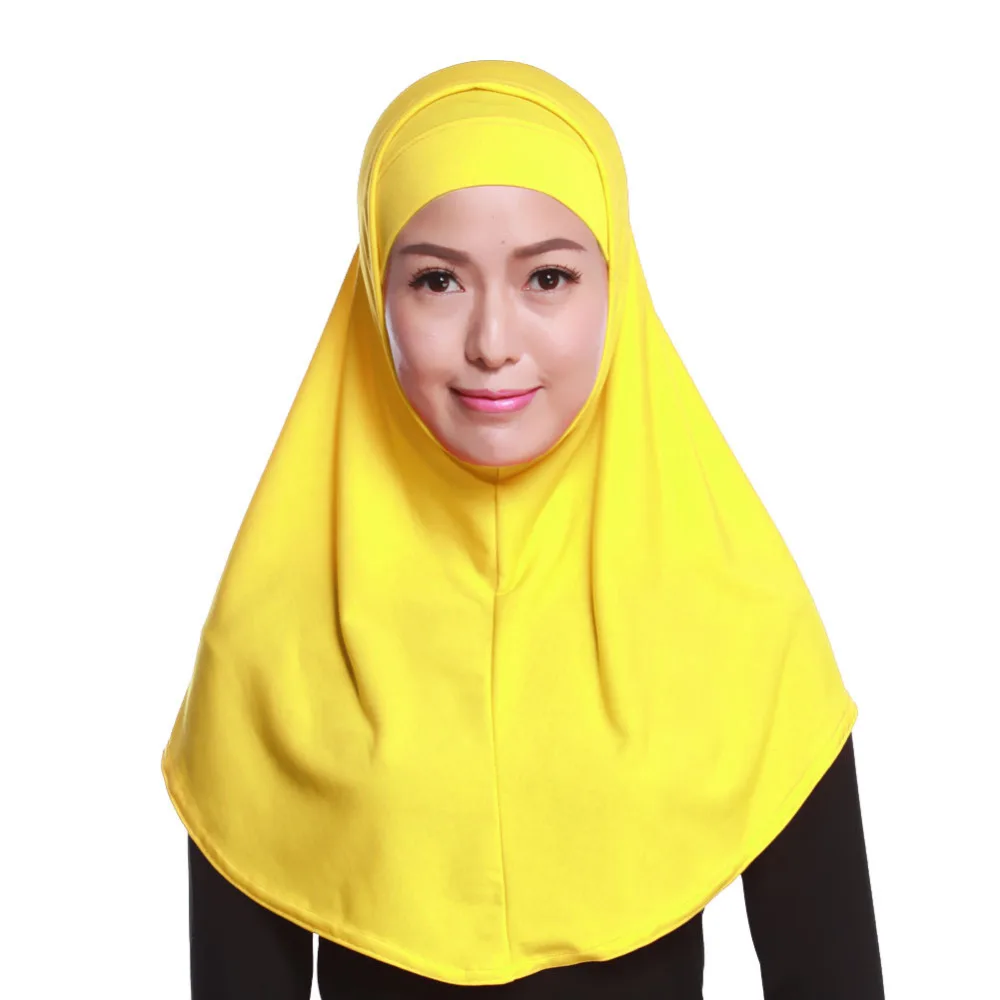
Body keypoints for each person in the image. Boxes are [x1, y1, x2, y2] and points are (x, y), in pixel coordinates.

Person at [162, 60, 884, 998]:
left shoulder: (741, 617)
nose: (492, 342)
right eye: (437, 281)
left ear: (616, 286)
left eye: (548, 276)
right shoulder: (272, 631)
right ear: (375, 294)